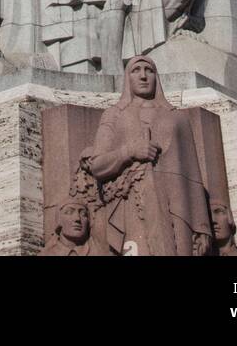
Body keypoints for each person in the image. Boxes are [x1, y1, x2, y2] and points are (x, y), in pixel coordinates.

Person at [87, 55, 213, 256]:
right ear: (127, 79)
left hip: (179, 212)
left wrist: (202, 227)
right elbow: (98, 166)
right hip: (131, 205)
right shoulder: (113, 115)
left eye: (149, 70)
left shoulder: (177, 118)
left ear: (157, 77)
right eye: (136, 70)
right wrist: (130, 151)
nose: (143, 76)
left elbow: (193, 178)